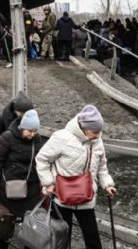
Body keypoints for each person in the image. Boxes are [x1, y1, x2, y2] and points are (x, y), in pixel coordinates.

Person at [35, 105, 117, 249]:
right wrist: (48, 183)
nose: (98, 135)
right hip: (61, 198)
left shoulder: (97, 142)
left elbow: (102, 167)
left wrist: (107, 184)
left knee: (93, 238)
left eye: (100, 132)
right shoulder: (61, 137)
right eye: (95, 131)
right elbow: (42, 159)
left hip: (86, 198)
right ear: (83, 128)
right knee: (62, 239)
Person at [0, 109, 43, 249]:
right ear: (22, 127)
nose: (32, 134)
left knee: (31, 222)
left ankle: (28, 245)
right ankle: (3, 244)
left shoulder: (36, 139)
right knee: (6, 221)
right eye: (29, 131)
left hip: (31, 187)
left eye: (35, 131)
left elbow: (40, 161)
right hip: (8, 188)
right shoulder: (6, 138)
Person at [0, 91, 33, 162]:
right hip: (7, 156)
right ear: (16, 110)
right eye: (23, 113)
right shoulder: (2, 118)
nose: (25, 116)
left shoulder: (29, 118)